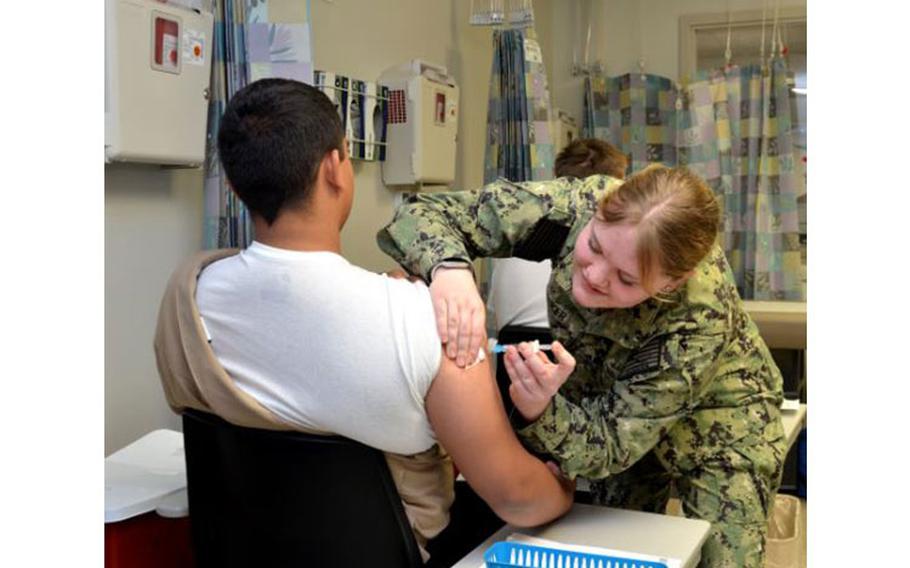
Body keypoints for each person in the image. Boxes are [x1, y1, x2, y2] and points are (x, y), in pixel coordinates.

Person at [153, 78, 573, 565]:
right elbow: (518, 498)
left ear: (233, 183)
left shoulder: (190, 295)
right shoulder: (425, 321)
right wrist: (564, 486)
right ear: (335, 167)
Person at [377, 165, 787, 567]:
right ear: (598, 211)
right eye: (594, 246)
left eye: (626, 278)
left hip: (723, 428)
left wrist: (543, 410)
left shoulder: (698, 316)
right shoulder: (570, 208)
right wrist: (450, 270)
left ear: (671, 284)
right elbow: (422, 213)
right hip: (610, 403)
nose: (594, 275)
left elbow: (610, 444)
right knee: (611, 550)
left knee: (724, 560)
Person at [488, 137, 628, 332]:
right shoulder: (620, 253)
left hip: (514, 355)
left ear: (556, 179)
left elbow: (497, 320)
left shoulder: (517, 236)